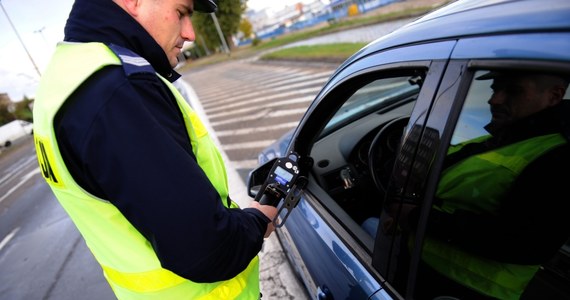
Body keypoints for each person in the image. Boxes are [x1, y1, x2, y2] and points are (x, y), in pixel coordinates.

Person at [32, 0, 278, 299]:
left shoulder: (64, 77)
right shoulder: (116, 89)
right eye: (182, 12)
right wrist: (257, 220)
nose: (190, 34)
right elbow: (206, 249)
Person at [382, 70, 570, 299]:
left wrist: (413, 217)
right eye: (494, 89)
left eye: (513, 90)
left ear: (554, 96)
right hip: (422, 271)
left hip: (466, 290)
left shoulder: (558, 157)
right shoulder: (498, 139)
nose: (494, 99)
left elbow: (524, 242)